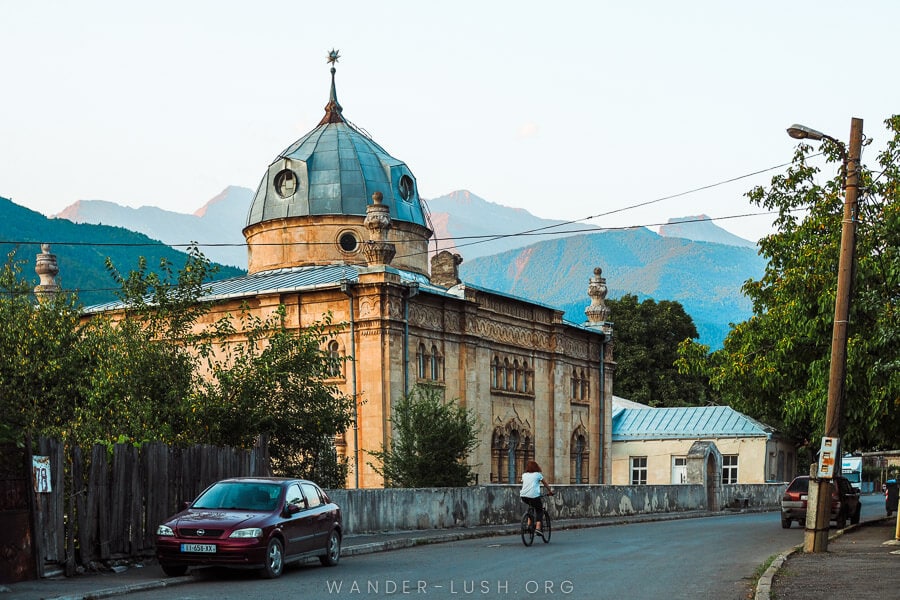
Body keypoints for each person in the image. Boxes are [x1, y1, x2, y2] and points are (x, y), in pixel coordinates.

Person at [520, 460, 553, 537]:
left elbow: (524, 482)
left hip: (523, 496)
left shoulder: (524, 475)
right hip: (534, 495)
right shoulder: (538, 475)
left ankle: (529, 525)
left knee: (531, 507)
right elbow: (545, 484)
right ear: (536, 467)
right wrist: (550, 491)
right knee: (539, 510)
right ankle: (538, 528)